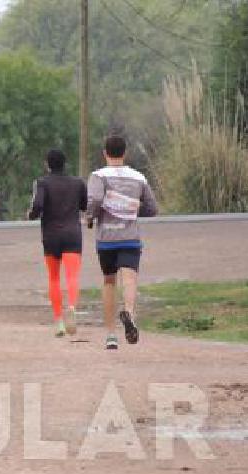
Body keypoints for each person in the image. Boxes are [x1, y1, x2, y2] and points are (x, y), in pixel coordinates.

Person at [86, 135, 158, 350]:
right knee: (130, 279)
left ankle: (110, 335)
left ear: (105, 153)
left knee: (109, 282)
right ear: (125, 153)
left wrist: (90, 217)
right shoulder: (138, 177)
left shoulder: (98, 176)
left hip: (107, 238)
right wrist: (134, 210)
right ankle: (129, 312)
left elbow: (95, 200)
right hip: (130, 237)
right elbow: (152, 208)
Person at [28, 149, 87, 337]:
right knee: (72, 276)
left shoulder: (42, 183)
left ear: (47, 164)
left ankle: (59, 321)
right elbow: (85, 205)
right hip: (72, 234)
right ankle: (72, 307)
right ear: (65, 163)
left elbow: (38, 205)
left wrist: (31, 215)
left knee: (53, 277)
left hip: (51, 235)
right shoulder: (78, 183)